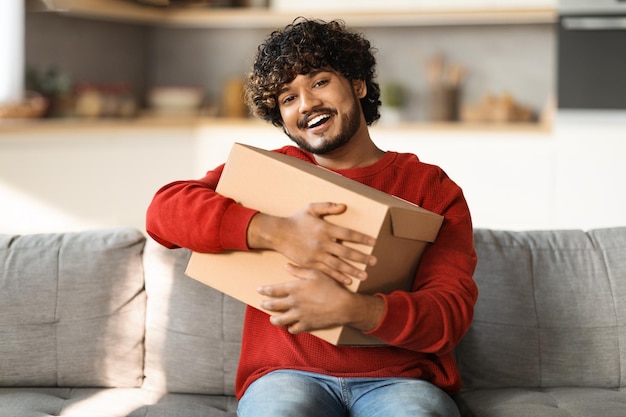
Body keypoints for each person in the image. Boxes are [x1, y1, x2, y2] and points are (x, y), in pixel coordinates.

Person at [146, 18, 478, 417]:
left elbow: (449, 316)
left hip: (401, 380)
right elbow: (163, 213)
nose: (305, 104)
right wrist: (276, 232)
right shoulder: (268, 174)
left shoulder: (430, 188)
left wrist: (356, 310)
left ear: (357, 85)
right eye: (287, 98)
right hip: (285, 376)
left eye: (319, 82)